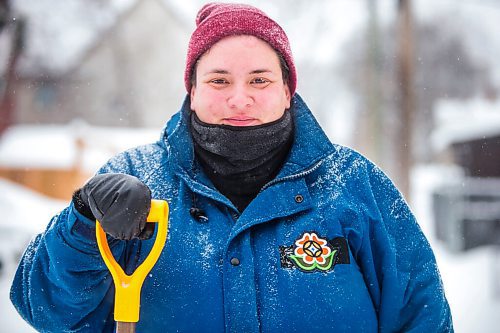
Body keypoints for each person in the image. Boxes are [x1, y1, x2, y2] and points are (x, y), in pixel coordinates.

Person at [10, 2, 453, 332]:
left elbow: (422, 314)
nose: (239, 99)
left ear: (286, 91)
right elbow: (48, 309)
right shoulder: (137, 179)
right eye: (219, 80)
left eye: (259, 80)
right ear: (193, 91)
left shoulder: (354, 185)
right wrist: (83, 222)